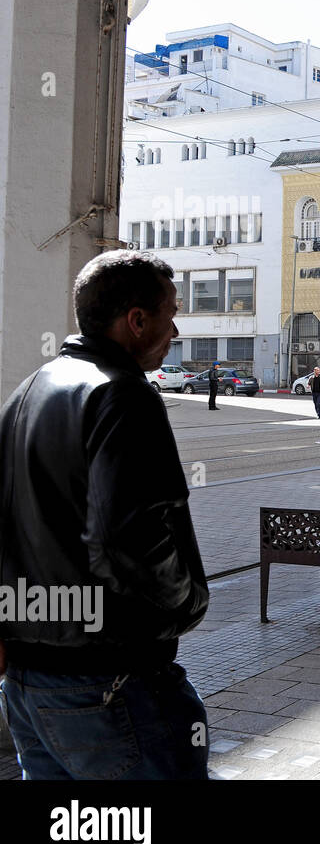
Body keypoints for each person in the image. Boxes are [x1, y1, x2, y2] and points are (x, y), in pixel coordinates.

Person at [0, 250, 210, 780]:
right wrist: (185, 604)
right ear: (136, 321)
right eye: (170, 312)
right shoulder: (123, 395)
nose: (177, 327)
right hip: (108, 683)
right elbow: (127, 539)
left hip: (28, 685)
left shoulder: (24, 395)